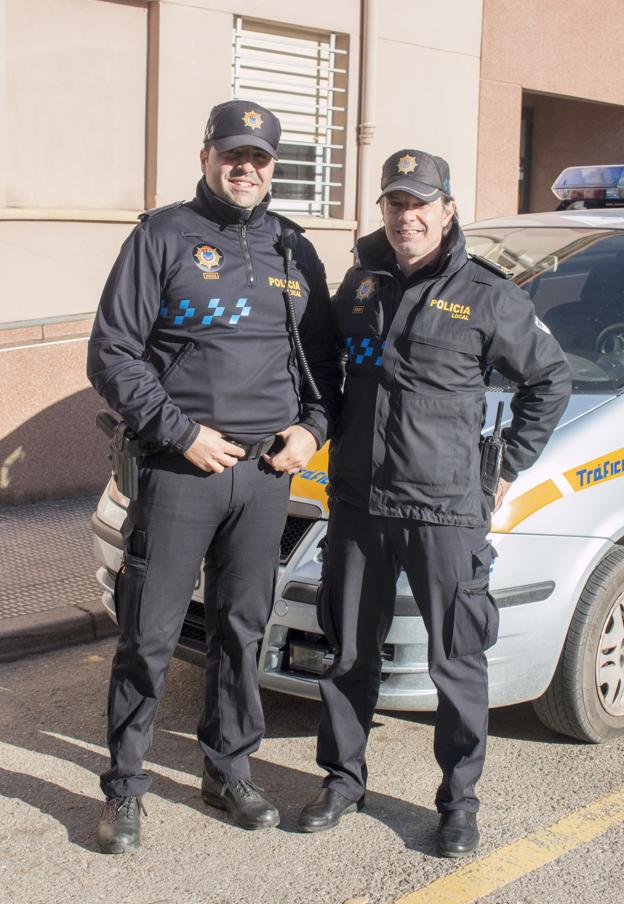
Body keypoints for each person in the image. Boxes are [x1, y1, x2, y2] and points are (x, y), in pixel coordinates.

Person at [297, 149, 571, 856]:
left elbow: (550, 381)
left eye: (419, 202)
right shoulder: (360, 285)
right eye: (394, 202)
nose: (405, 215)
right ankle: (342, 780)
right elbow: (325, 368)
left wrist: (506, 464)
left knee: (457, 663)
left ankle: (459, 803)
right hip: (358, 502)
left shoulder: (487, 293)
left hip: (445, 510)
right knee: (350, 651)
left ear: (447, 211)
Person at [87, 100, 340, 853]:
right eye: (233, 154)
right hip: (180, 471)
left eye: (260, 158)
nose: (246, 168)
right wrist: (181, 433)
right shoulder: (162, 235)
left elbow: (323, 367)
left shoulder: (296, 251)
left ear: (273, 167)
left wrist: (312, 429)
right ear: (206, 157)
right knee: (150, 635)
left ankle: (228, 770)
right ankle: (126, 788)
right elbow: (112, 353)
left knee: (241, 630)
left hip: (265, 475)